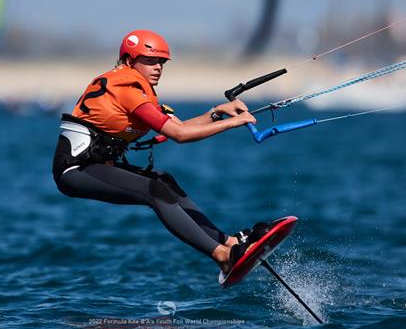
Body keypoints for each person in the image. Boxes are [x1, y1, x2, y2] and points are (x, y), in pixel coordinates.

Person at [52, 29, 269, 277]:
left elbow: (181, 126)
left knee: (163, 181)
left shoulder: (138, 90)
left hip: (96, 165)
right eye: (150, 61)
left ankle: (231, 243)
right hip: (75, 170)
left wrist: (216, 113)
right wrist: (233, 123)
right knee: (155, 192)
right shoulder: (127, 89)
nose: (157, 68)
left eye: (161, 62)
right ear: (128, 61)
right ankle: (222, 256)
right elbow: (181, 136)